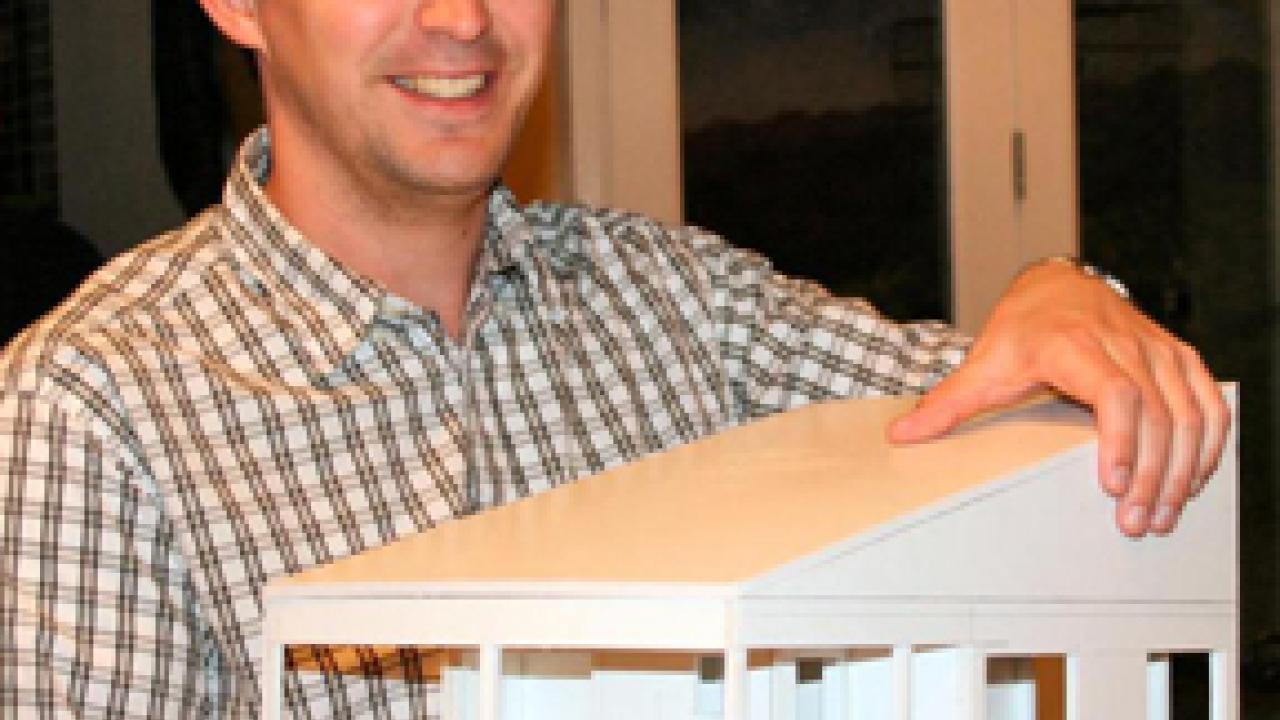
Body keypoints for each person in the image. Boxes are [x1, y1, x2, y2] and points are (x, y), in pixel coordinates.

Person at [0, 0, 1230, 717]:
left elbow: (1000, 402)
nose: (462, 21)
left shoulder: (676, 304)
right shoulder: (97, 402)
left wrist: (1061, 295)